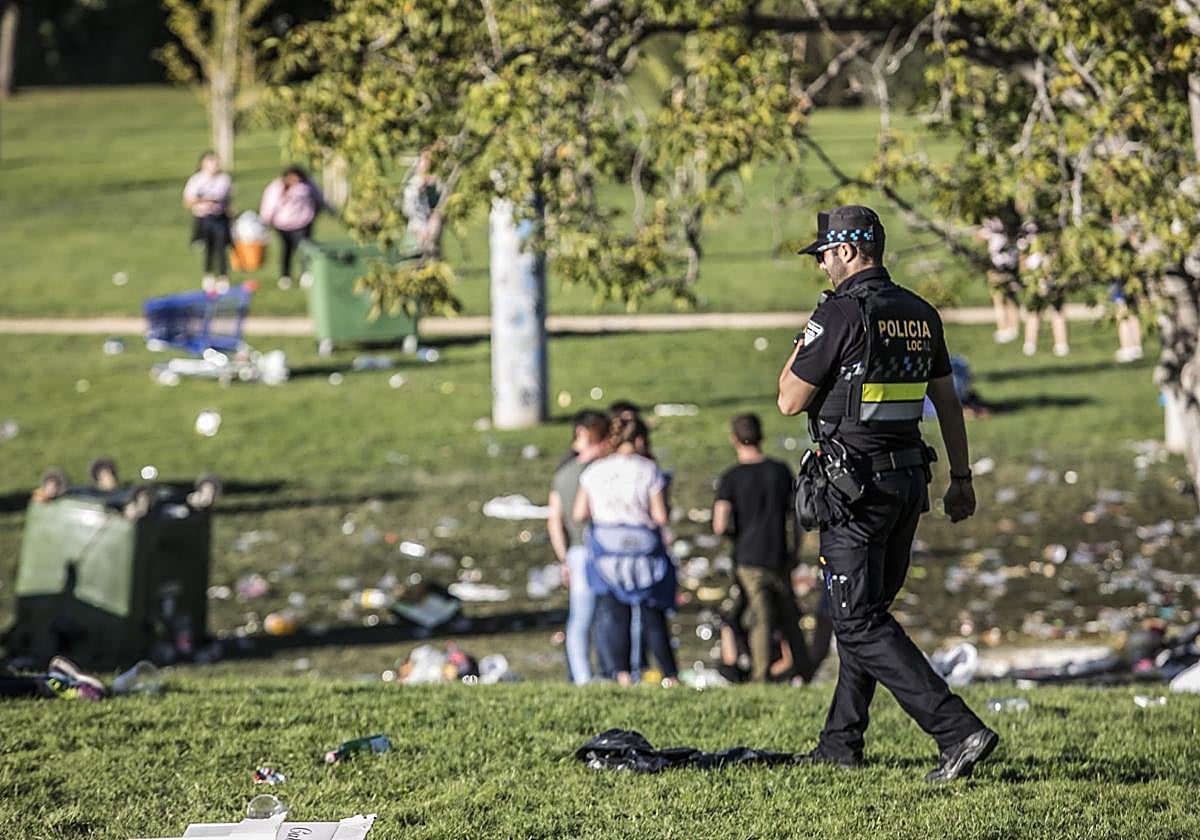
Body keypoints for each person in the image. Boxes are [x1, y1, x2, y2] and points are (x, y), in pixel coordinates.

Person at [778, 205, 998, 782]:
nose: (822, 265)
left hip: (856, 490)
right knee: (866, 616)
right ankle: (840, 742)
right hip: (907, 484)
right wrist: (962, 479)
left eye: (825, 254)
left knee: (856, 622)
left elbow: (788, 399)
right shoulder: (920, 313)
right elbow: (947, 404)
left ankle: (957, 731)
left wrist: (813, 329)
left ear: (849, 251)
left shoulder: (842, 314)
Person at [573, 415, 678, 686]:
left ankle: (621, 674)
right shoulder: (648, 470)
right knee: (652, 613)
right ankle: (669, 674)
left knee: (614, 613)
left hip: (607, 551)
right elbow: (660, 515)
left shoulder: (594, 471)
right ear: (639, 439)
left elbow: (580, 512)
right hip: (643, 550)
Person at [713, 413, 814, 683]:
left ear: (734, 439)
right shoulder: (779, 470)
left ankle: (761, 677)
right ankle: (805, 670)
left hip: (748, 558)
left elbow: (719, 524)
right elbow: (797, 515)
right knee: (789, 616)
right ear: (762, 436)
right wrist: (795, 551)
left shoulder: (731, 478)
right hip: (779, 554)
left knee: (762, 618)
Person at [547, 409, 610, 685]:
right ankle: (609, 671)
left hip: (576, 552)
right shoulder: (601, 471)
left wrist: (564, 558)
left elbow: (554, 519)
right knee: (606, 616)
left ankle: (582, 675)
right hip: (603, 550)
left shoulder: (562, 473)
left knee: (579, 619)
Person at [259, 165, 326, 284]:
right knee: (286, 250)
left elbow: (319, 198)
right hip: (283, 225)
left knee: (304, 249)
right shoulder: (276, 187)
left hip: (303, 223)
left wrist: (324, 210)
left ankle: (306, 274)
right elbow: (269, 205)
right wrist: (265, 221)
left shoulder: (307, 185)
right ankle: (285, 276)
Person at [183, 152, 233, 291]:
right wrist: (204, 200)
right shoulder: (196, 180)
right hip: (204, 218)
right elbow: (188, 201)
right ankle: (208, 275)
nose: (214, 165)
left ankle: (223, 276)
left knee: (222, 247)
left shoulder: (224, 179)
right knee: (209, 248)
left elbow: (227, 199)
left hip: (220, 217)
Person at [1018, 224, 1069, 357]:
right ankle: (1030, 343)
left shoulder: (1051, 237)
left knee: (1057, 310)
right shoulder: (1025, 238)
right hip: (1034, 280)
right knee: (1034, 311)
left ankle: (1061, 344)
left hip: (1051, 280)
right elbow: (1022, 261)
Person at [976, 214, 1023, 344]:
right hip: (1009, 264)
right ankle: (1011, 328)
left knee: (1002, 298)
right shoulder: (1012, 221)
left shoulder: (994, 222)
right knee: (1008, 298)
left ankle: (1005, 328)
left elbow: (979, 237)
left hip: (999, 265)